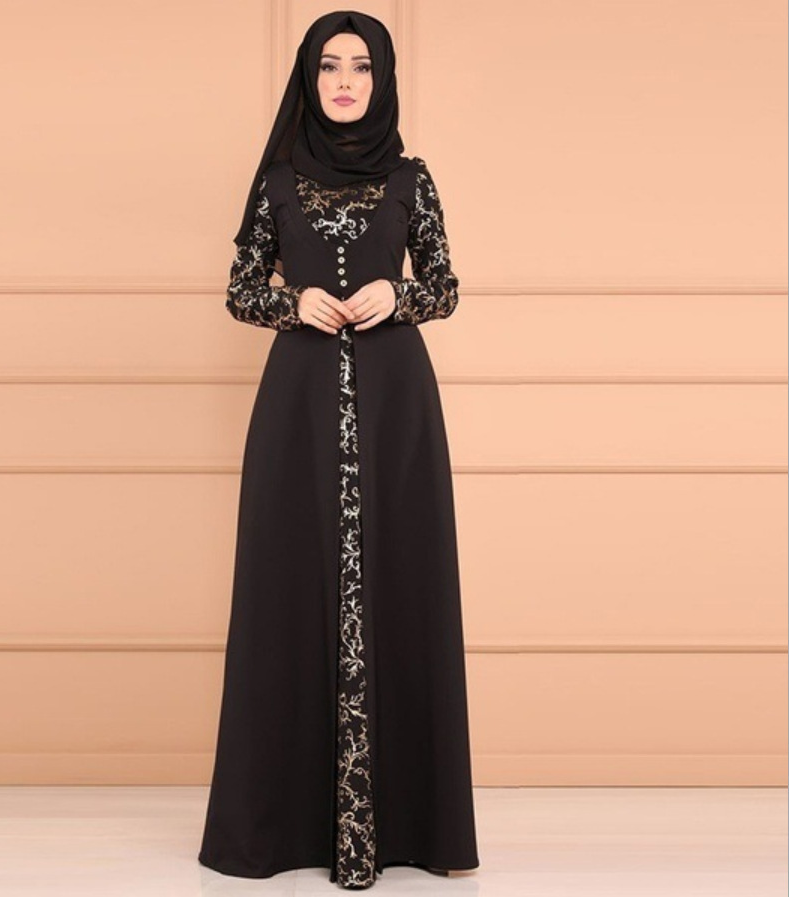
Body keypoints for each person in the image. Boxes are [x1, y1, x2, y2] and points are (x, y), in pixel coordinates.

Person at [198, 10, 479, 891]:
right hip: (299, 406)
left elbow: (446, 285)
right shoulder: (278, 181)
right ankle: (280, 826)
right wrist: (293, 303)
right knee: (289, 587)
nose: (346, 81)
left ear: (382, 79)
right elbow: (241, 286)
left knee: (403, 581)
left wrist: (400, 294)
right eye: (329, 66)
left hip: (398, 410)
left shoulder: (411, 178)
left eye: (361, 66)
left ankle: (412, 826)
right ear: (309, 79)